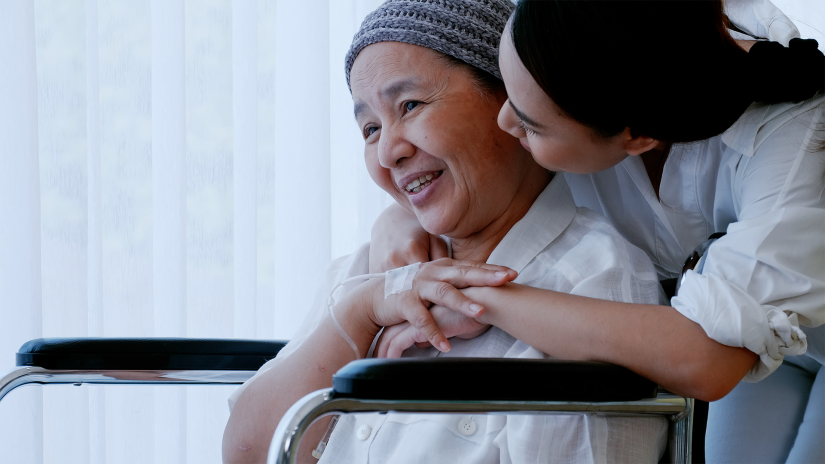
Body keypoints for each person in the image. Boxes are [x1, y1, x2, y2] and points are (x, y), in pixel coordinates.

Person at [369, 0, 825, 462]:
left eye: (529, 124)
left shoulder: (794, 142)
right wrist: (402, 215)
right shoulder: (586, 48)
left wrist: (477, 299)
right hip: (756, 343)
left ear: (638, 136)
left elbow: (707, 358)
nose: (505, 123)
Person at [221, 1, 675, 463]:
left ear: (511, 102)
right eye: (371, 128)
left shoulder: (596, 282)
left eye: (410, 105)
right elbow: (248, 452)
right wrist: (360, 312)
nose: (388, 153)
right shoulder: (364, 271)